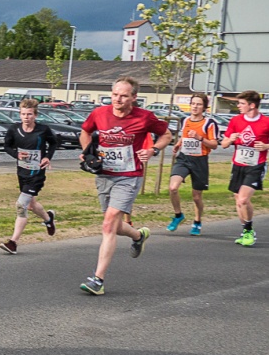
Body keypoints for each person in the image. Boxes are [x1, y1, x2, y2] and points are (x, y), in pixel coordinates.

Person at [77, 76, 172, 295]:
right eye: (115, 94)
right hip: (104, 174)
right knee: (114, 225)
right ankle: (138, 236)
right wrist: (87, 152)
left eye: (124, 96)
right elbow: (85, 131)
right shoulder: (99, 113)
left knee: (108, 223)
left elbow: (166, 134)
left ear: (134, 98)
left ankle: (97, 280)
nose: (118, 99)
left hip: (129, 176)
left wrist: (153, 150)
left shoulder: (145, 117)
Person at [0, 98, 57, 254]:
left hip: (37, 173)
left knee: (21, 205)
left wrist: (47, 157)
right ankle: (48, 219)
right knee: (31, 205)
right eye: (23, 114)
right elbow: (7, 146)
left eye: (29, 114)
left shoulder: (43, 130)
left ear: (35, 115)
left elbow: (54, 143)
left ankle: (13, 242)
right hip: (22, 171)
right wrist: (17, 154)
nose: (26, 117)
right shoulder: (14, 129)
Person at [217, 90, 269, 247]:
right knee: (238, 200)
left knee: (243, 199)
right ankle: (246, 230)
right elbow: (224, 144)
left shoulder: (266, 122)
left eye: (242, 103)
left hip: (256, 165)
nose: (238, 106)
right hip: (238, 165)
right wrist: (230, 140)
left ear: (252, 105)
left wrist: (266, 146)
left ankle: (248, 231)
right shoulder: (236, 121)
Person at [166, 93, 219, 235]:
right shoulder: (185, 120)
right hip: (184, 158)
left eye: (199, 104)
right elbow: (184, 136)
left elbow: (214, 145)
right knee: (173, 187)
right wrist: (178, 144)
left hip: (200, 160)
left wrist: (200, 138)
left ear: (204, 107)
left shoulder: (209, 123)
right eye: (193, 104)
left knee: (196, 196)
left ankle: (197, 222)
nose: (195, 107)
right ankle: (178, 215)